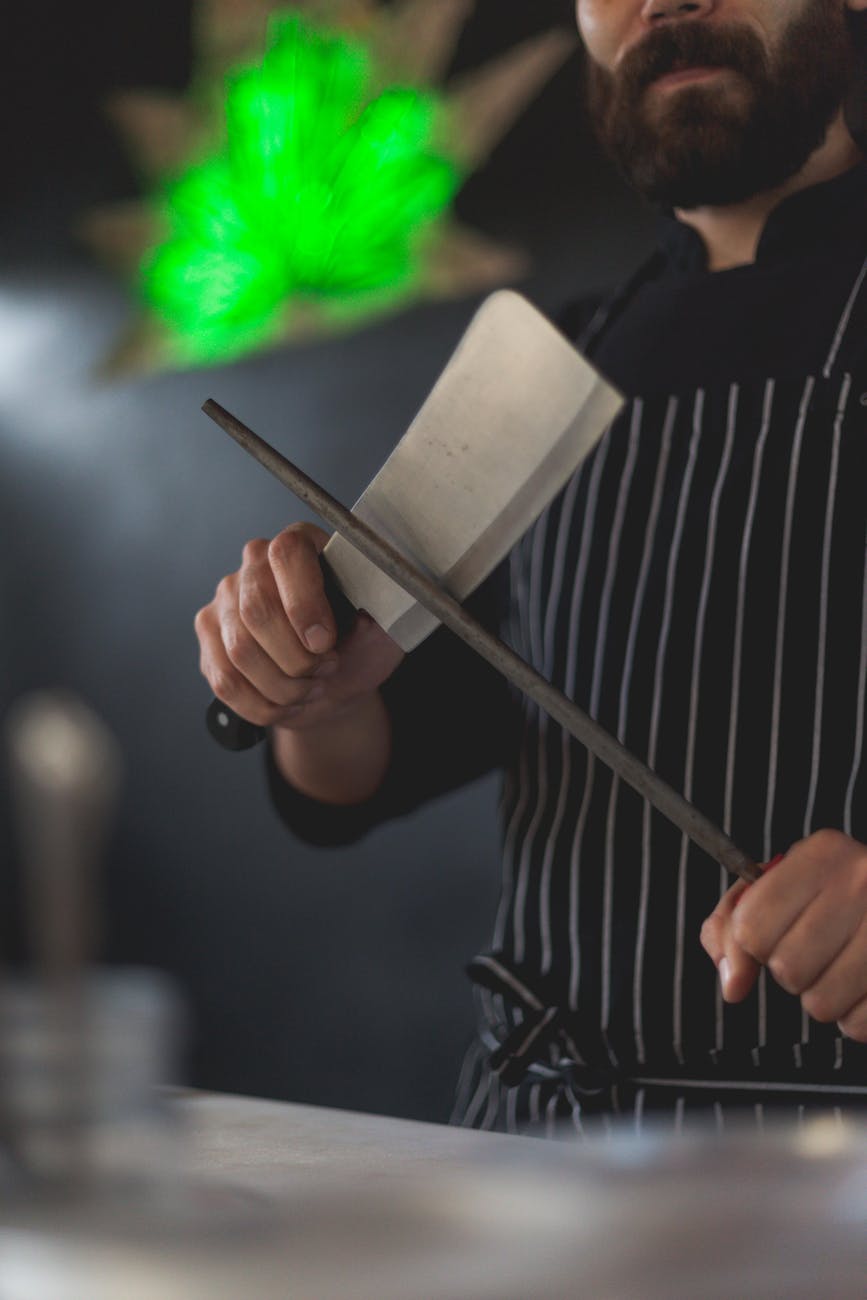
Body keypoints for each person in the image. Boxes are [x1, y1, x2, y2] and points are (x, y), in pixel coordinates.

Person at [195, 0, 867, 1132]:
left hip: (825, 1175)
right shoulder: (548, 365)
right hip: (538, 1153)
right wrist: (311, 688)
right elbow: (361, 772)